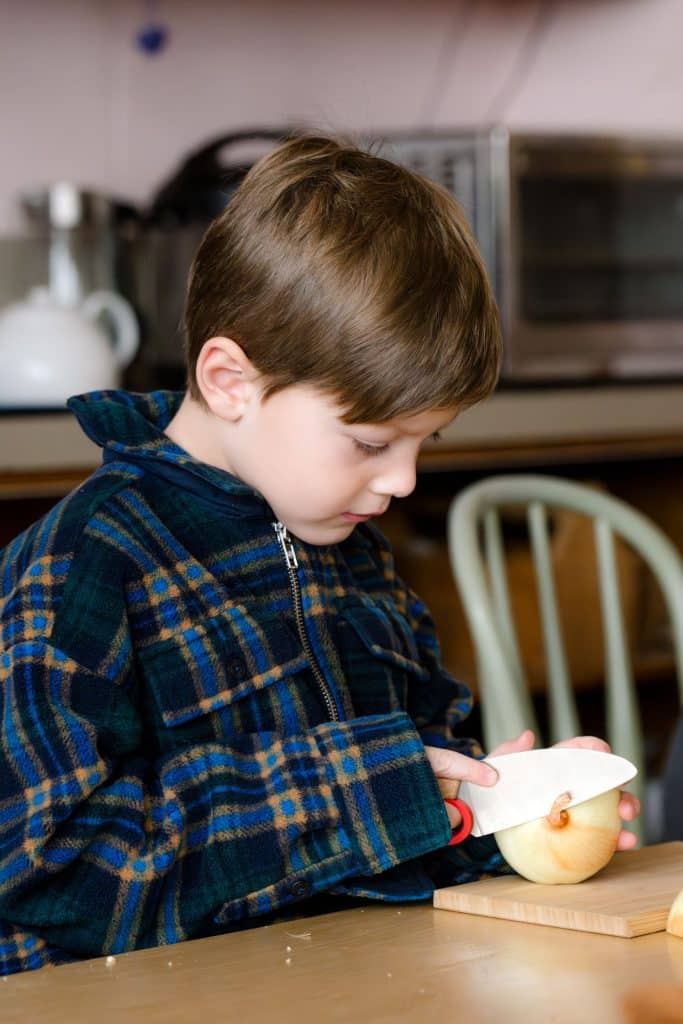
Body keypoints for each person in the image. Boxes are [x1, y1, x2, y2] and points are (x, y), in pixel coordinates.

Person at [0, 134, 639, 974]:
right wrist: (369, 791)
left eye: (423, 441)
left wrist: (498, 807)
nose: (403, 480)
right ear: (231, 381)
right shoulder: (86, 562)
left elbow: (396, 831)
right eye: (371, 440)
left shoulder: (353, 554)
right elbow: (48, 871)